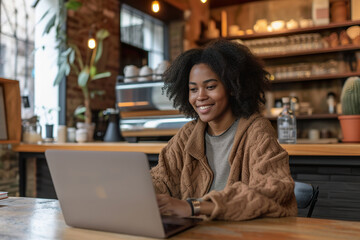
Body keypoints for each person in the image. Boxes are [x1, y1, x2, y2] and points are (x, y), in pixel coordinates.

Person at [151, 39, 297, 221]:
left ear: (232, 87)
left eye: (210, 87)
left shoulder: (256, 130)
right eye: (193, 90)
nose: (201, 97)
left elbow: (274, 187)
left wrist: (194, 207)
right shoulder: (188, 134)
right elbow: (161, 179)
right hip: (196, 232)